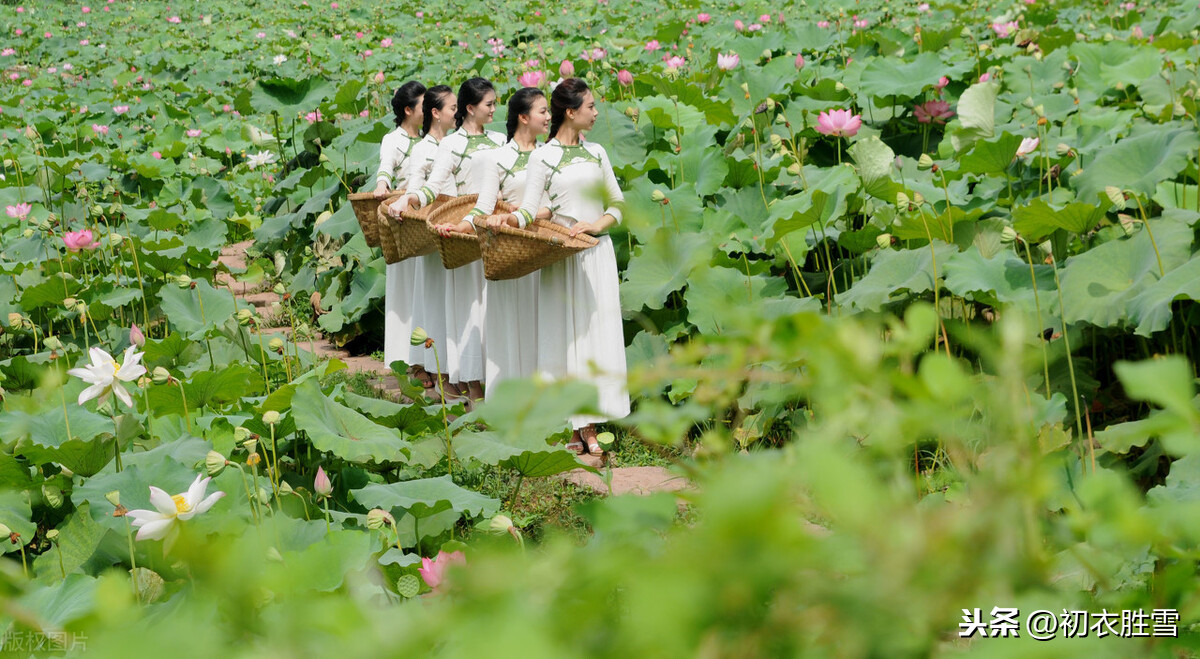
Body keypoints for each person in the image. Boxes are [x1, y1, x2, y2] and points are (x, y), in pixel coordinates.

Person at [498, 78, 630, 455]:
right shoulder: (543, 157)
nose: (596, 112)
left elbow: (617, 205)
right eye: (590, 106)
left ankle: (587, 420)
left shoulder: (598, 153)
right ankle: (579, 424)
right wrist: (511, 222)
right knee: (564, 336)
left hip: (596, 254)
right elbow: (533, 207)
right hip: (560, 255)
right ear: (570, 112)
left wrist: (596, 226)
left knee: (595, 336)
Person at [392, 78, 504, 402]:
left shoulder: (500, 141)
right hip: (463, 235)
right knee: (469, 313)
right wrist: (407, 200)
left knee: (493, 313)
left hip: (494, 231)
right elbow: (432, 186)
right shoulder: (450, 145)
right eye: (489, 104)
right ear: (471, 109)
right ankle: (474, 389)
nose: (495, 109)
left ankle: (498, 385)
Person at [439, 87, 551, 401]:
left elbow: (557, 202)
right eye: (542, 111)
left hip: (544, 248)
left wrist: (528, 214)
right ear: (523, 117)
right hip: (509, 252)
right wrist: (461, 226)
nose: (548, 117)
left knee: (542, 326)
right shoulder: (496, 157)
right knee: (507, 326)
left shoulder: (550, 154)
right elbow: (484, 205)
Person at [388, 85, 460, 398]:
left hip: (459, 229)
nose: (457, 113)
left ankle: (459, 368)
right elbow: (415, 184)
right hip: (432, 232)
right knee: (432, 299)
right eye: (453, 108)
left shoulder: (460, 144)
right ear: (436, 113)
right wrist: (406, 201)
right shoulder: (421, 149)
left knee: (456, 302)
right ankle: (432, 365)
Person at [373, 81, 429, 389]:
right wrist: (382, 186)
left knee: (425, 289)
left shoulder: (430, 140)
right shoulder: (392, 139)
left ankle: (427, 359)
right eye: (423, 105)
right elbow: (386, 168)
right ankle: (410, 360)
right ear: (408, 110)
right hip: (401, 219)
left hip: (424, 217)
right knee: (406, 290)